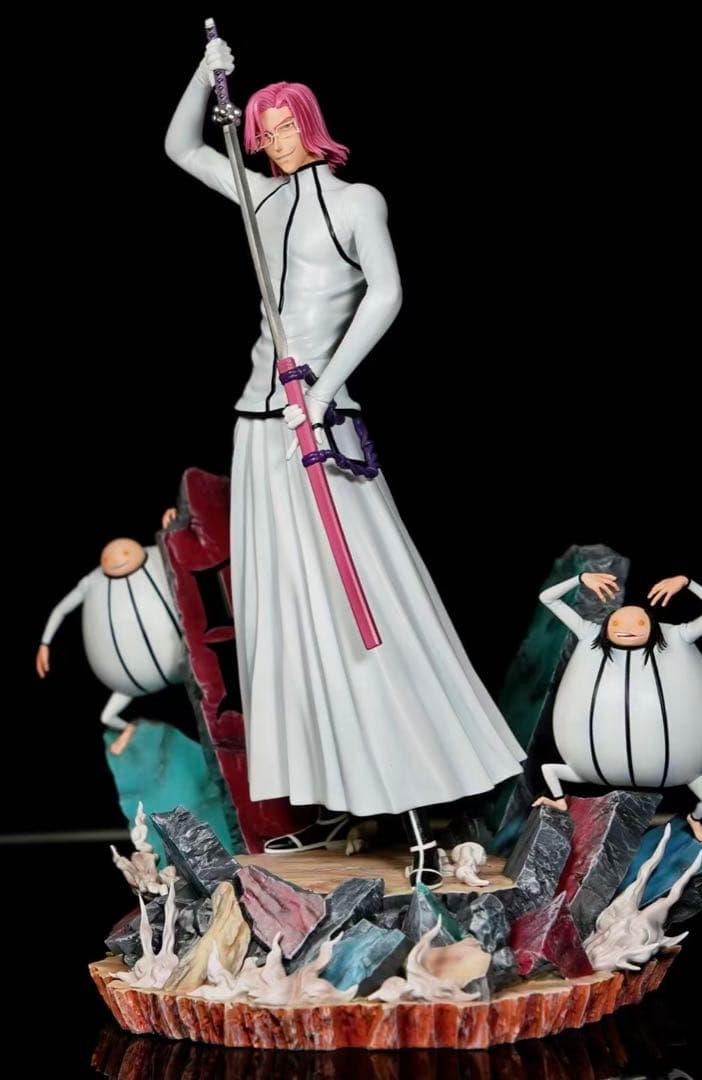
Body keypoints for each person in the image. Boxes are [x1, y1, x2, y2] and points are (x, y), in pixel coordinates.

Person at [164, 37, 524, 885]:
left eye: (286, 124)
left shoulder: (358, 200)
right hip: (259, 425)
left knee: (364, 596)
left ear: (311, 123)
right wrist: (206, 74)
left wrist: (323, 391)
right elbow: (180, 147)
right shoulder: (259, 195)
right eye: (264, 128)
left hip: (317, 423)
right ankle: (335, 796)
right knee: (286, 608)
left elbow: (388, 293)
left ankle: (420, 792)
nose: (275, 139)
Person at [534, 572, 702, 844]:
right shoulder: (590, 634)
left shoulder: (677, 637)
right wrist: (580, 578)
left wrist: (688, 583)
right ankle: (559, 801)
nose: (626, 629)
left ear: (651, 624)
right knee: (550, 770)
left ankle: (694, 820)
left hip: (677, 765)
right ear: (608, 624)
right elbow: (547, 598)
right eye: (616, 623)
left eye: (639, 623)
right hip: (592, 764)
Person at [37, 534, 185, 756]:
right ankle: (129, 729)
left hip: (184, 662)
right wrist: (45, 643)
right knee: (106, 716)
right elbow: (60, 609)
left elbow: (182, 547)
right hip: (128, 683)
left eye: (124, 553)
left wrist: (172, 526)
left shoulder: (159, 554)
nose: (117, 561)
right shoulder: (92, 582)